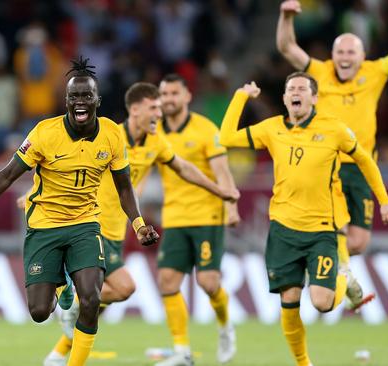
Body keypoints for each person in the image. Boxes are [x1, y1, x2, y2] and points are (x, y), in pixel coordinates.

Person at [0, 57, 159, 366]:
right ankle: (62, 286)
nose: (80, 102)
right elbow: (5, 175)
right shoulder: (44, 133)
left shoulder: (112, 135)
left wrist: (138, 224)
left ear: (97, 99)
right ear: (65, 100)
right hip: (45, 227)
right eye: (74, 97)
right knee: (40, 312)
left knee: (92, 298)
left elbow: (125, 187)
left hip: (85, 224)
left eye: (86, 96)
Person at [42, 82, 240, 366]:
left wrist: (218, 191)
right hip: (89, 225)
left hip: (116, 232)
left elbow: (183, 167)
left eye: (161, 107)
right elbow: (70, 161)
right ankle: (67, 323)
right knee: (121, 289)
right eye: (154, 107)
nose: (159, 114)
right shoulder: (108, 134)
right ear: (134, 110)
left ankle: (59, 351)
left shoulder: (156, 142)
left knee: (101, 299)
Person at [219, 73, 388, 366]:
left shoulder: (334, 129)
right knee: (289, 304)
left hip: (321, 232)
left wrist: (385, 202)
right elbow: (225, 137)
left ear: (314, 98)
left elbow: (366, 160)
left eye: (302, 88)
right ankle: (304, 364)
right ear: (285, 98)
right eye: (291, 89)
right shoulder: (272, 128)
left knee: (322, 303)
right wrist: (241, 95)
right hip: (283, 230)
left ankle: (344, 278)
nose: (296, 92)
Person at [276, 0, 388, 306]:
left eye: (352, 52)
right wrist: (286, 16)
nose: (345, 57)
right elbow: (287, 47)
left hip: (363, 167)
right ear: (333, 56)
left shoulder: (375, 72)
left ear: (362, 56)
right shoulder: (319, 72)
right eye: (340, 52)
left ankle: (326, 262)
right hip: (326, 165)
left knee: (359, 242)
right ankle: (335, 272)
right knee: (334, 224)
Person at [155, 74, 241, 366]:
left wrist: (230, 206)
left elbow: (222, 170)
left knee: (207, 282)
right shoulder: (155, 132)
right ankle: (182, 351)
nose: (168, 99)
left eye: (173, 94)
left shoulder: (206, 129)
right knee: (167, 280)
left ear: (187, 96)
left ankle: (225, 325)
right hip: (175, 216)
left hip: (207, 215)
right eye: (164, 94)